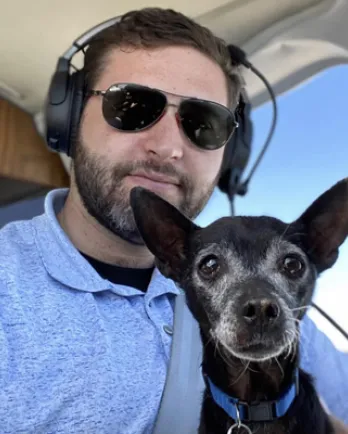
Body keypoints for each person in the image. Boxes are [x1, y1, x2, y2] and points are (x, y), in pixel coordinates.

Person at [0, 7, 347, 434]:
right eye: (132, 106)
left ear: (229, 155)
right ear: (68, 118)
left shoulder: (275, 308)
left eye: (203, 123)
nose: (167, 147)